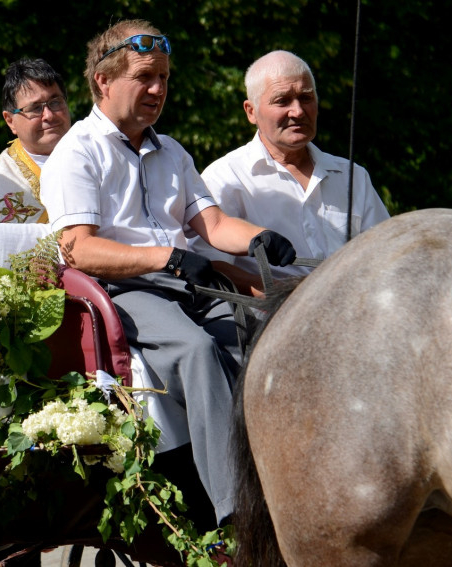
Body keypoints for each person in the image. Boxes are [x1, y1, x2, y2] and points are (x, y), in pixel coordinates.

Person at [39, 20, 296, 530]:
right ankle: (236, 515)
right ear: (103, 81)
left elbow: (214, 225)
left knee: (268, 337)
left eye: (163, 77)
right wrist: (167, 258)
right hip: (121, 291)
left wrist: (261, 238)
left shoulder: (172, 151)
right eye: (144, 76)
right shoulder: (77, 151)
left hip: (185, 282)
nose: (158, 89)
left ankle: (288, 482)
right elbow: (78, 248)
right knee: (197, 352)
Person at [195, 50, 390, 294]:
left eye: (306, 98)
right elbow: (210, 265)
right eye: (282, 101)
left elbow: (387, 252)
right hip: (273, 314)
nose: (297, 111)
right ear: (251, 112)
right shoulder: (226, 177)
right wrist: (278, 295)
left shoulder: (352, 176)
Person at [0, 58, 71, 223]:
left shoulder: (101, 156)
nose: (49, 115)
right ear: (10, 121)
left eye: (55, 102)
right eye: (35, 108)